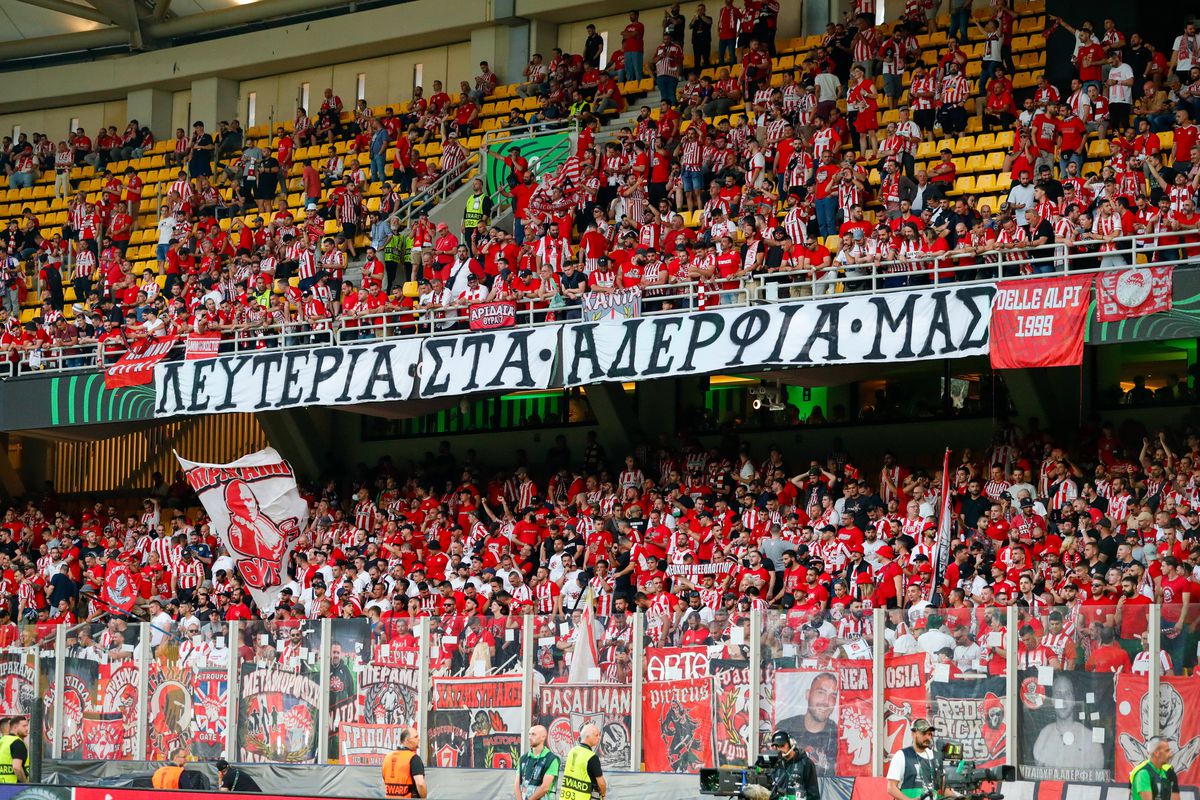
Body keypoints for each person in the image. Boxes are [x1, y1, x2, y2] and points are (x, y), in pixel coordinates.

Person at [775, 672, 838, 774]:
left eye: (833, 696)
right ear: (808, 694)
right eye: (821, 692)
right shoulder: (784, 729)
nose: (826, 701)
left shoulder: (838, 736)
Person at [886, 718, 959, 799]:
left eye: (930, 734)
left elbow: (943, 789)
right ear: (913, 734)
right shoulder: (902, 755)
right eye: (924, 733)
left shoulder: (936, 757)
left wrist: (958, 798)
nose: (928, 737)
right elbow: (891, 788)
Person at [765, 730, 820, 800]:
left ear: (790, 743)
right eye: (776, 746)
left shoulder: (806, 763)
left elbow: (813, 794)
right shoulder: (773, 764)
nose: (779, 749)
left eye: (782, 745)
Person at [558, 722, 605, 800]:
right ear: (587, 736)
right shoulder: (592, 756)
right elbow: (601, 783)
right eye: (596, 735)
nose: (599, 737)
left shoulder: (572, 751)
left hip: (567, 797)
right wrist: (603, 795)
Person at [515, 725, 560, 800]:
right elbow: (517, 785)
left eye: (533, 734)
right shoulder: (523, 759)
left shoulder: (551, 759)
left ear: (543, 737)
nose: (530, 737)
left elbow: (545, 787)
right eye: (529, 734)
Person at [383, 727, 427, 798]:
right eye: (415, 737)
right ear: (407, 740)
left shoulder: (387, 757)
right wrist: (424, 797)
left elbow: (385, 780)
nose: (418, 739)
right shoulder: (414, 758)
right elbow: (420, 784)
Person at [0, 717, 28, 784]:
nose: (27, 729)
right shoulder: (17, 742)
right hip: (14, 788)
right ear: (15, 728)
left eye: (27, 726)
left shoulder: (2, 741)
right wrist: (26, 784)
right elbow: (16, 767)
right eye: (24, 726)